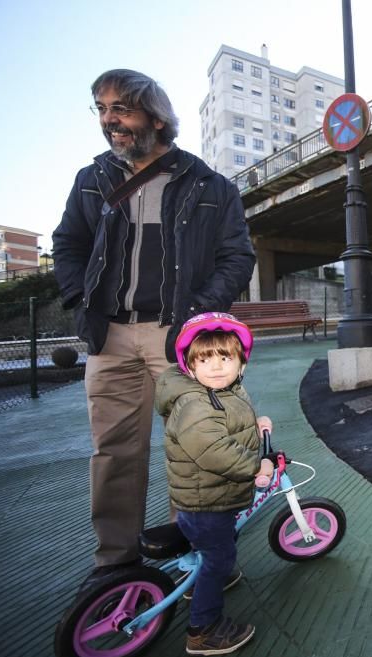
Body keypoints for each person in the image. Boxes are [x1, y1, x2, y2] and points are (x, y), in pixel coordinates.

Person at [51, 69, 256, 589]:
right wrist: (79, 300)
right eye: (101, 109)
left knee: (198, 448)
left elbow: (237, 257)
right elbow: (68, 244)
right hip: (110, 336)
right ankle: (116, 564)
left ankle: (203, 555)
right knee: (114, 452)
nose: (109, 120)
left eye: (120, 108)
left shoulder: (210, 185)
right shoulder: (92, 179)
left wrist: (197, 318)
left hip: (180, 339)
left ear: (156, 116)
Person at [155, 312, 274, 656]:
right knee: (219, 558)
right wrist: (257, 465)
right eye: (205, 359)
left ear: (241, 363)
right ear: (190, 366)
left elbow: (229, 418)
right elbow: (214, 450)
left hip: (212, 496)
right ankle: (204, 630)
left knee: (222, 541)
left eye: (226, 357)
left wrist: (255, 422)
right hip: (204, 500)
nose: (217, 366)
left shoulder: (224, 389)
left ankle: (200, 582)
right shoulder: (194, 403)